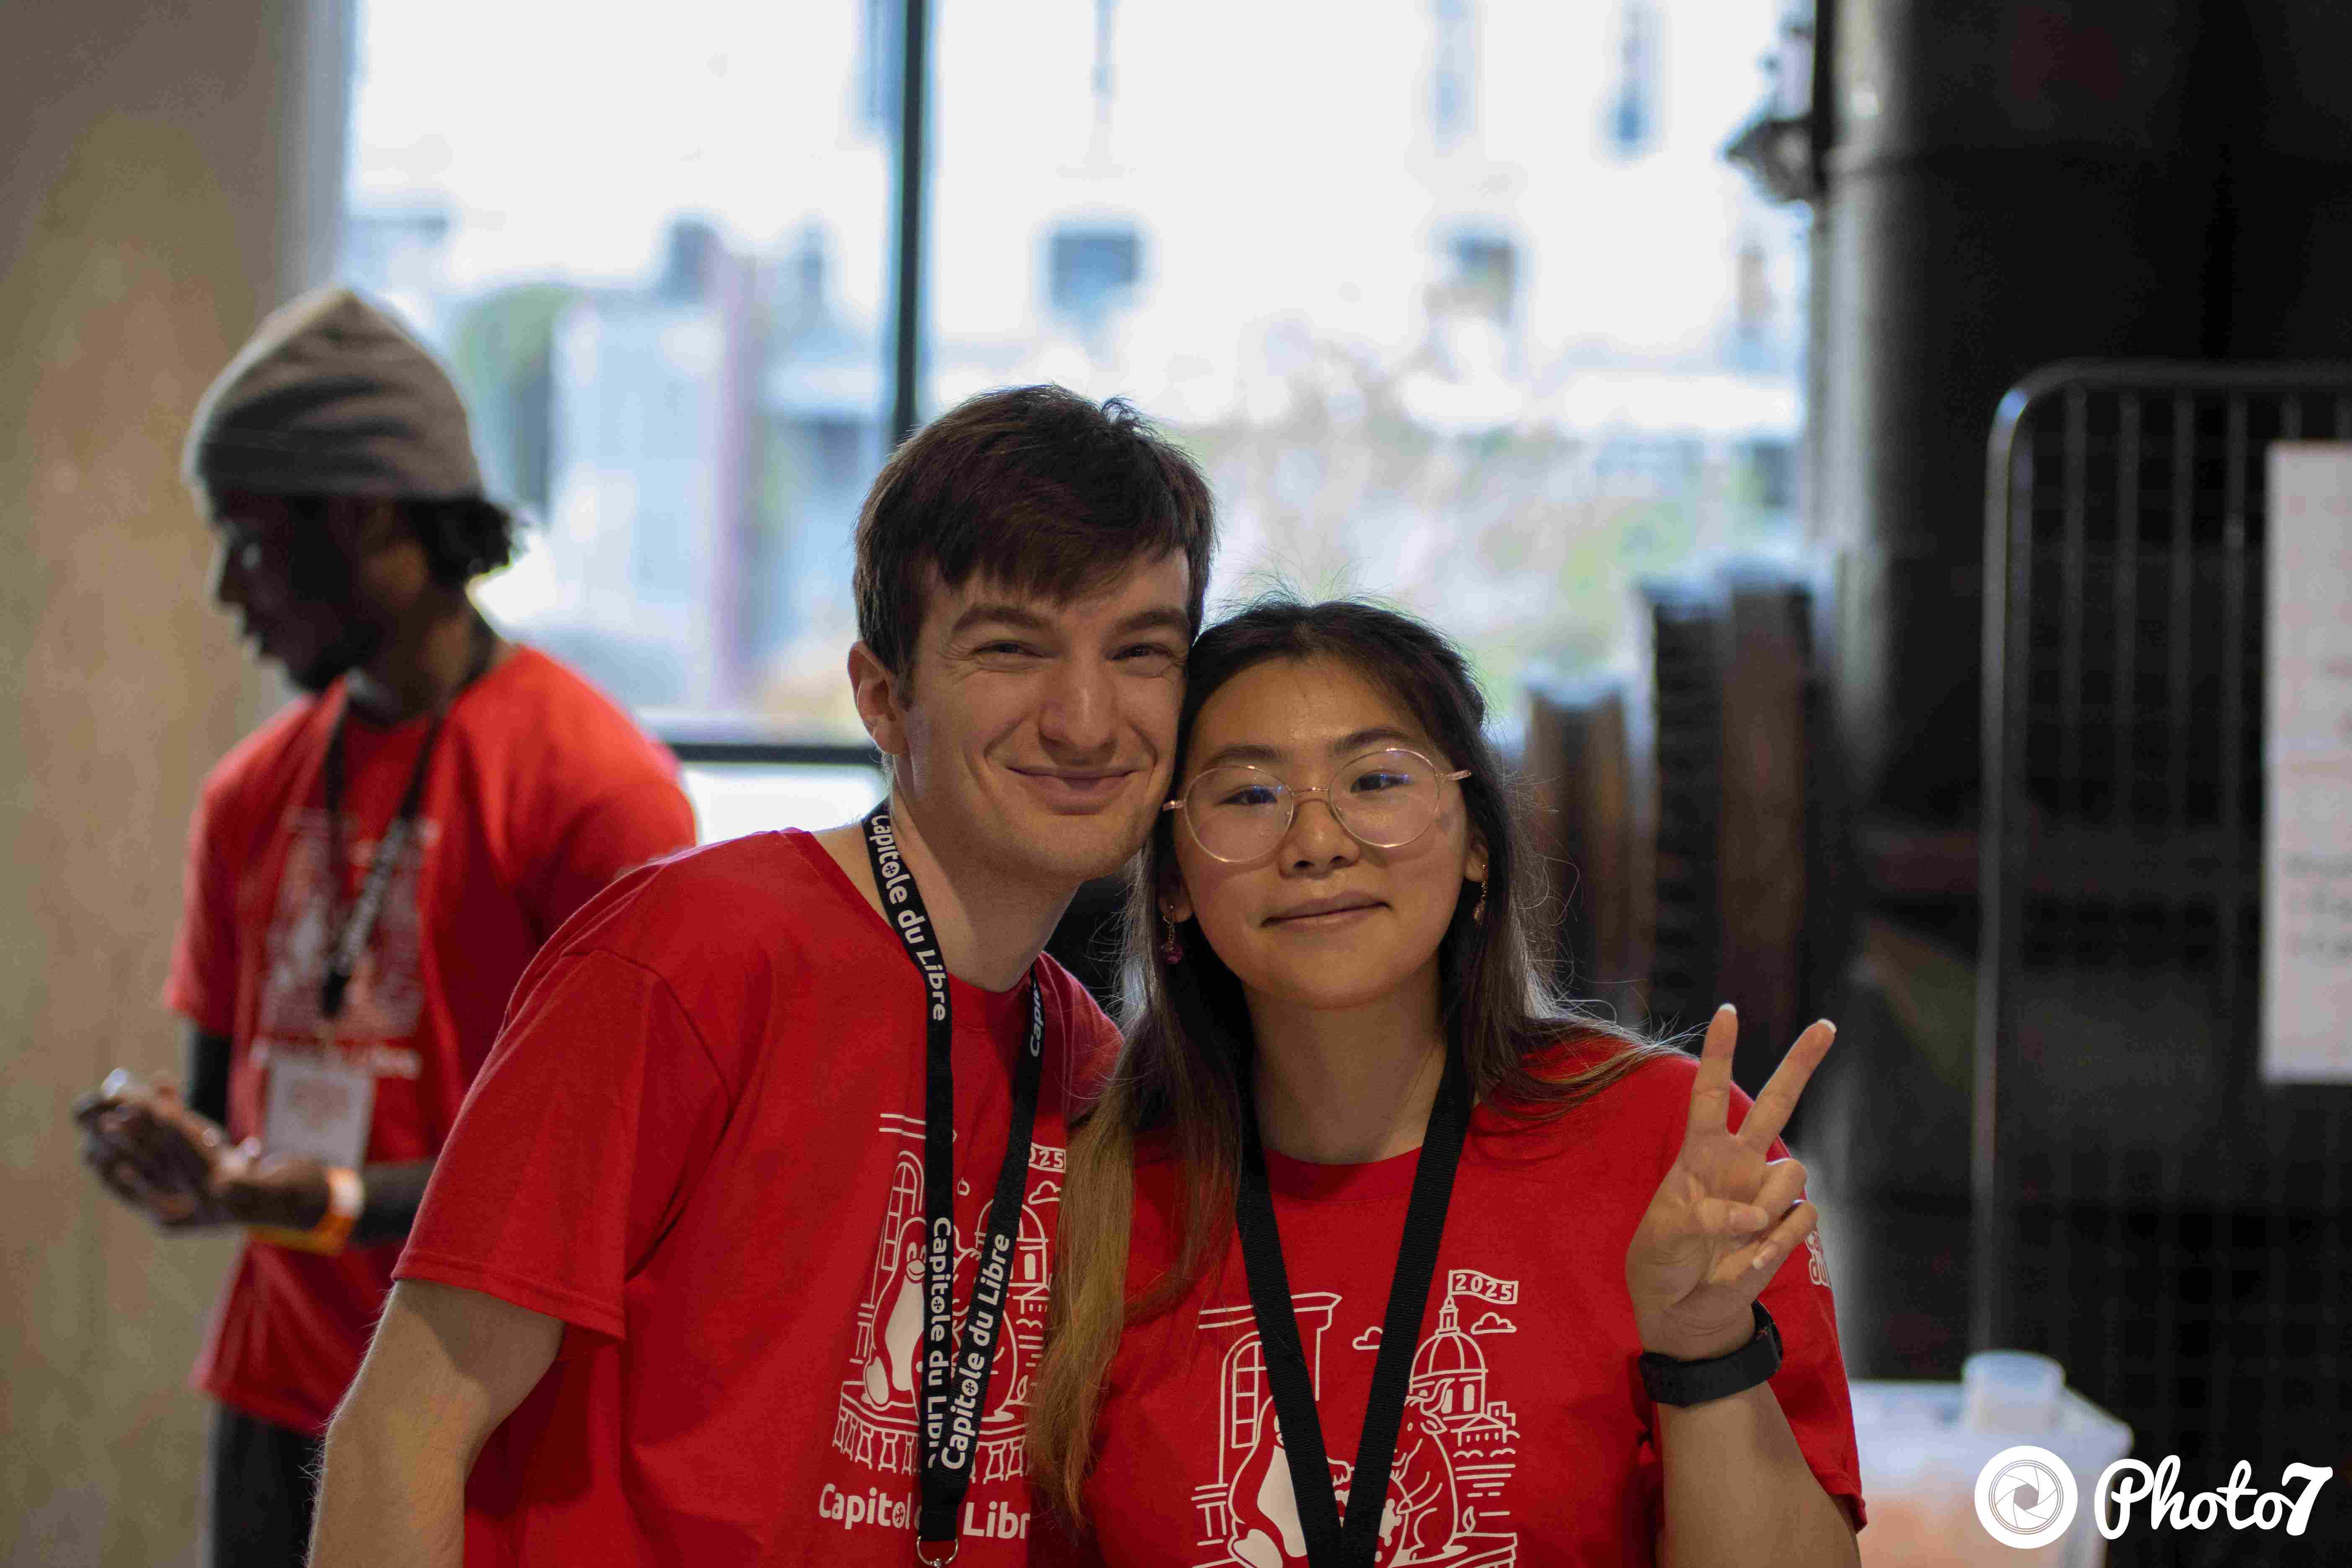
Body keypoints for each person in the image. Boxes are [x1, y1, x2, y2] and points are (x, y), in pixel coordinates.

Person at [306, 384, 1220, 1566]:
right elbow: (401, 1438)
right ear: (883, 697)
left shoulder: (1085, 1062)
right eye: (1011, 648)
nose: (1086, 720)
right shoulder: (689, 958)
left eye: (1140, 652)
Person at [1028, 597, 1865, 1566]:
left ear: (1476, 842)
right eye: (1249, 795)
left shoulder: (1668, 1154)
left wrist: (1704, 1347)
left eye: (1376, 780)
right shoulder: (1091, 1198)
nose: (1315, 842)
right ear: (1172, 879)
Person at [68, 285, 699, 1568]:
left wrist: (344, 1201)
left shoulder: (595, 790)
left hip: (487, 1421)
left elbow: (623, 1174)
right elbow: (229, 1113)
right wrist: (189, 1160)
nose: (227, 590)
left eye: (249, 542)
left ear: (367, 519)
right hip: (275, 1397)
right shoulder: (251, 793)